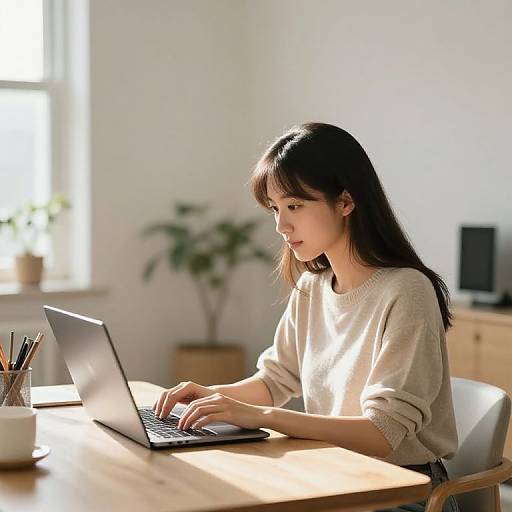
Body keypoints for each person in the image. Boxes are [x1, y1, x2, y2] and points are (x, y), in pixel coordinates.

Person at [153, 122, 459, 512]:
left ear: (346, 202)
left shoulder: (407, 291)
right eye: (275, 209)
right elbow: (275, 380)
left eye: (294, 206)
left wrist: (262, 416)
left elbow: (383, 433)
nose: (281, 226)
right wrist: (210, 396)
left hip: (403, 493)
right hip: (334, 476)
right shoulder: (314, 287)